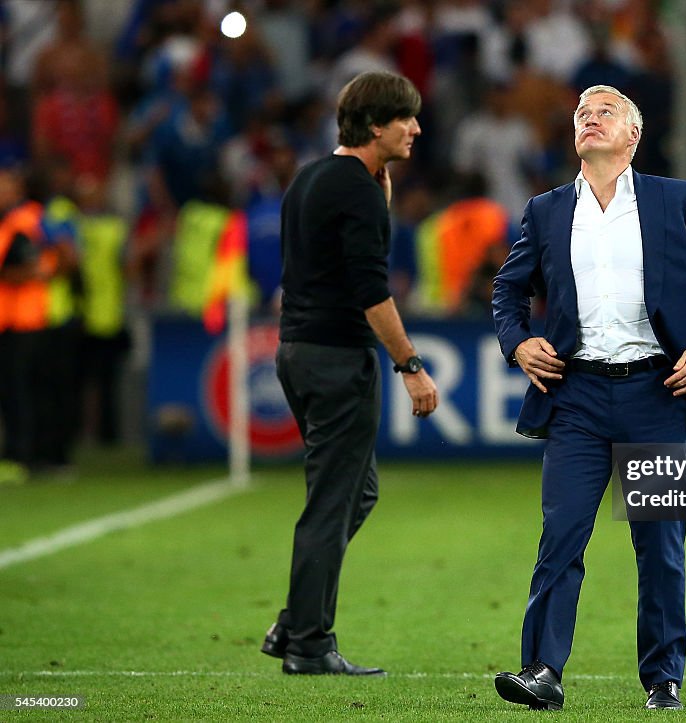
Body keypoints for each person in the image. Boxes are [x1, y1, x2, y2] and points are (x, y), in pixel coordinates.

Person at [492, 85, 686, 710]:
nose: (589, 118)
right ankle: (542, 672)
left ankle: (662, 677)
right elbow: (507, 291)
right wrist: (517, 343)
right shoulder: (547, 210)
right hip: (576, 393)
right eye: (582, 114)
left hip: (654, 389)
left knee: (659, 542)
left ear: (633, 135)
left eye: (604, 111)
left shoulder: (675, 199)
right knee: (561, 536)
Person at [261, 71, 438, 676]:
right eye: (406, 118)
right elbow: (370, 289)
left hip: (298, 351)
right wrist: (410, 364)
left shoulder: (311, 177)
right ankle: (309, 644)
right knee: (332, 503)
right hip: (339, 357)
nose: (416, 128)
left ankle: (296, 620)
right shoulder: (357, 190)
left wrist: (379, 198)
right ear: (374, 126)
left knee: (356, 493)